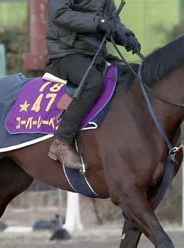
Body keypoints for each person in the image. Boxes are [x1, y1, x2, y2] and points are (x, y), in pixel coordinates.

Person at [45, 0, 141, 169]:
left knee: (132, 75)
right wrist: (98, 23)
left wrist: (127, 36)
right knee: (92, 82)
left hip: (95, 54)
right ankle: (61, 142)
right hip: (66, 53)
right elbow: (59, 14)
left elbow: (112, 22)